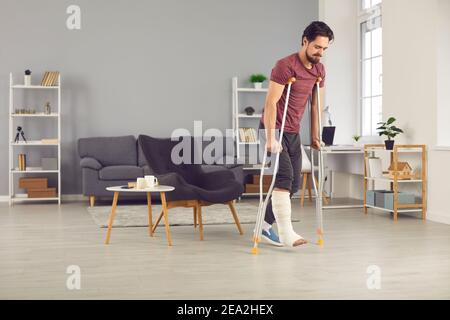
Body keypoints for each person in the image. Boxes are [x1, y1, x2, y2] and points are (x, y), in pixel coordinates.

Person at [259, 21, 334, 247]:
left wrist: (314, 137)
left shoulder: (319, 70)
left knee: (294, 186)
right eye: (317, 47)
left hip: (293, 131)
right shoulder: (285, 66)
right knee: (284, 177)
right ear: (305, 41)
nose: (320, 53)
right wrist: (271, 139)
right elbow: (271, 103)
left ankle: (263, 225)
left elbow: (315, 107)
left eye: (324, 49)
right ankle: (286, 232)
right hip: (273, 128)